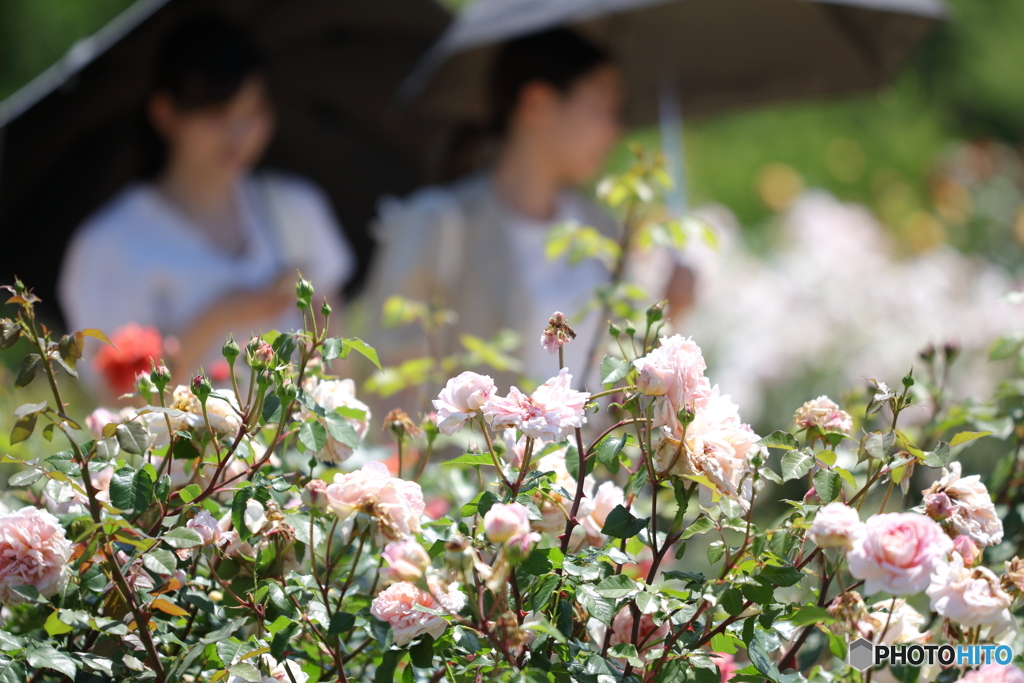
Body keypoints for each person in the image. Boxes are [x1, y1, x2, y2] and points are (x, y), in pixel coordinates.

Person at [364, 29, 691, 386]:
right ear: (537, 103)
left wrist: (667, 312)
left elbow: (614, 383)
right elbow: (393, 384)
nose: (615, 129)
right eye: (604, 107)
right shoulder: (439, 223)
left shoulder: (604, 230)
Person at [59, 16, 353, 397]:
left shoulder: (295, 207)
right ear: (165, 114)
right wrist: (219, 315)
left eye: (253, 112)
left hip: (294, 448)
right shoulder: (109, 243)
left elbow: (341, 366)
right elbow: (118, 403)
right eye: (218, 114)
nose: (240, 134)